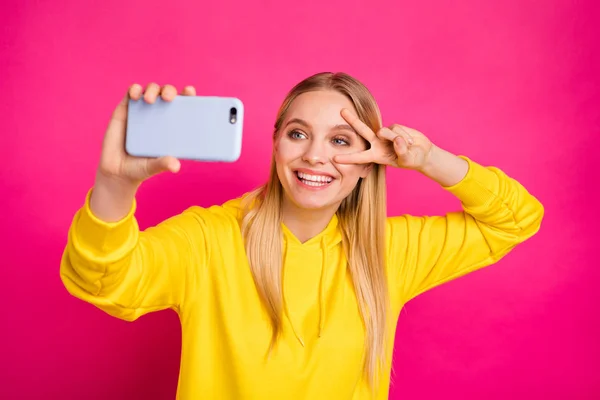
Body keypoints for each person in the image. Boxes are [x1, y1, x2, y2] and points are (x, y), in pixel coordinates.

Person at [60, 72, 544, 400]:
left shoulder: (391, 252)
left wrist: (430, 160)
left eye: (340, 141)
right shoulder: (210, 239)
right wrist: (115, 183)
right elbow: (105, 280)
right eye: (297, 133)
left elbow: (517, 219)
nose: (315, 156)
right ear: (275, 145)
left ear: (369, 163)